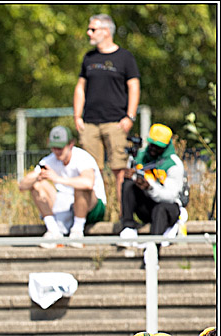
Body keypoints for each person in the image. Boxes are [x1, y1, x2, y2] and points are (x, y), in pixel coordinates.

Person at [73, 13, 140, 204]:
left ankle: (123, 216)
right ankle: (97, 214)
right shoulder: (89, 58)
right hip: (90, 123)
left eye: (93, 29)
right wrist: (77, 116)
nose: (89, 33)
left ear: (106, 31)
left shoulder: (125, 57)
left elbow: (134, 86)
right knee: (91, 171)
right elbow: (80, 88)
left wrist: (130, 116)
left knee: (120, 171)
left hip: (116, 123)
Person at [19, 126, 107, 247]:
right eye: (54, 147)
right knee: (37, 185)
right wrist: (37, 175)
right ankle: (53, 230)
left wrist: (57, 179)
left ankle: (77, 232)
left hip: (92, 207)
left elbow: (88, 183)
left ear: (71, 144)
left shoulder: (82, 157)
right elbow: (22, 186)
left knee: (80, 187)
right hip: (65, 205)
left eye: (60, 148)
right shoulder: (48, 161)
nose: (57, 151)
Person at [118, 124, 186, 244]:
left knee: (161, 209)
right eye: (152, 145)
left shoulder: (173, 164)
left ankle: (153, 245)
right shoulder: (141, 156)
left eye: (158, 147)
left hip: (168, 209)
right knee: (128, 184)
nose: (153, 149)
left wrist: (150, 187)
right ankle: (128, 228)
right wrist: (132, 176)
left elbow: (171, 196)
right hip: (147, 207)